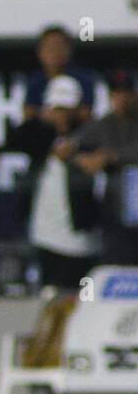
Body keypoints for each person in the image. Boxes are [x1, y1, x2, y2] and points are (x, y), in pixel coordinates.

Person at [57, 68, 138, 265]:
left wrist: (111, 157)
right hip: (116, 207)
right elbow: (68, 148)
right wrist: (82, 158)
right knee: (118, 259)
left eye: (125, 92)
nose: (121, 98)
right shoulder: (103, 124)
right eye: (116, 93)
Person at [28, 76, 102, 289]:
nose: (62, 115)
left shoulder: (92, 134)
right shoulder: (37, 135)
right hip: (47, 238)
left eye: (67, 109)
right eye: (57, 109)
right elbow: (21, 139)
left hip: (83, 239)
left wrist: (74, 153)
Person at [23, 25, 98, 126]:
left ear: (69, 50)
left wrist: (66, 114)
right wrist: (47, 115)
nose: (55, 53)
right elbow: (28, 113)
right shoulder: (35, 81)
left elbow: (87, 113)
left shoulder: (83, 79)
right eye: (50, 48)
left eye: (59, 46)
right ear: (40, 52)